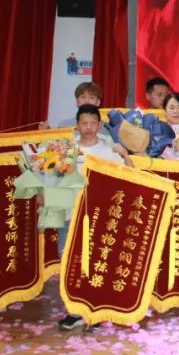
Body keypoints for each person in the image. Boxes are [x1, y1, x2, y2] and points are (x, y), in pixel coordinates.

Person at [57, 104, 132, 331]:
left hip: (100, 216)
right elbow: (52, 177)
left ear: (99, 125)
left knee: (97, 262)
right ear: (77, 125)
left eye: (92, 123)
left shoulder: (109, 150)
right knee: (69, 262)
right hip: (70, 213)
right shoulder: (66, 150)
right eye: (84, 123)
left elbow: (130, 175)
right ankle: (73, 311)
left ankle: (96, 311)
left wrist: (125, 155)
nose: (88, 127)